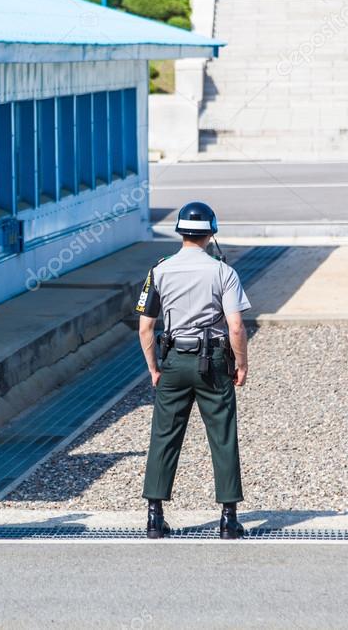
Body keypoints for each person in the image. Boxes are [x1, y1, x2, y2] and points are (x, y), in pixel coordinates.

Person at [134, 201, 251, 539]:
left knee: (164, 436)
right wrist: (241, 363)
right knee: (223, 435)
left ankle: (154, 516)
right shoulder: (223, 272)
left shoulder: (159, 270)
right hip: (212, 361)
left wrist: (154, 368)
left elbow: (145, 327)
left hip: (172, 360)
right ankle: (228, 518)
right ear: (211, 232)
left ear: (180, 232)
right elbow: (237, 326)